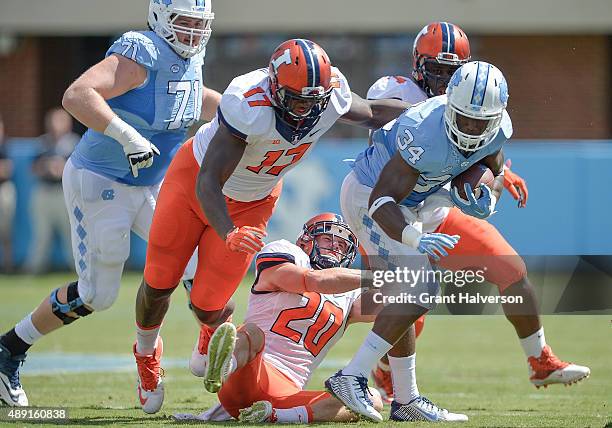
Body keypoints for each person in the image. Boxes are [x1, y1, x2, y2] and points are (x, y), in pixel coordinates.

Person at [133, 38, 411, 414]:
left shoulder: (330, 97)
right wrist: (228, 230)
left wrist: (435, 113)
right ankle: (147, 354)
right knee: (159, 280)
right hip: (194, 183)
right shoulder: (250, 103)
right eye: (297, 100)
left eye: (314, 101)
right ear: (275, 87)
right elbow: (208, 181)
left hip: (254, 199)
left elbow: (376, 112)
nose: (305, 109)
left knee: (209, 303)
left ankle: (212, 334)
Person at [325, 61, 590, 422]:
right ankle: (351, 376)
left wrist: (489, 200)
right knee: (420, 291)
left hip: (417, 202)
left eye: (480, 123)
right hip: (370, 196)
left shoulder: (499, 129)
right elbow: (381, 202)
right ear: (450, 105)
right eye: (464, 119)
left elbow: (493, 168)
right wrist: (414, 237)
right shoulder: (424, 132)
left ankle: (406, 401)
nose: (470, 128)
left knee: (415, 294)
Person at [0, 0, 221, 407]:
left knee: (194, 265)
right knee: (97, 296)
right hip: (101, 180)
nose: (192, 31)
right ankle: (9, 349)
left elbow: (190, 96)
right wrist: (126, 135)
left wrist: (237, 112)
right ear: (159, 18)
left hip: (151, 183)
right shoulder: (142, 49)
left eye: (198, 23)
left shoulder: (191, 56)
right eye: (183, 22)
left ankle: (174, 348)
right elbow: (77, 95)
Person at [366, 21, 530, 404]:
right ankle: (363, 375)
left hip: (435, 206)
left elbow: (476, 145)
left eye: (451, 72)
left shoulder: (469, 111)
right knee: (403, 299)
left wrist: (496, 171)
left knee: (492, 267)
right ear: (417, 64)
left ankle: (379, 376)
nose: (442, 78)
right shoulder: (398, 92)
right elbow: (411, 134)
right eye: (435, 68)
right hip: (391, 204)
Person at [174, 213, 467, 423]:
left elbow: (398, 312)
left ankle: (273, 417)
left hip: (286, 393)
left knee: (370, 400)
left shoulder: (349, 296)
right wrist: (379, 275)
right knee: (252, 333)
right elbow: (314, 281)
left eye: (342, 246)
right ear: (305, 240)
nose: (335, 248)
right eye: (328, 239)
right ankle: (221, 366)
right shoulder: (285, 253)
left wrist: (416, 285)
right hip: (248, 373)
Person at [25, 108, 79, 274]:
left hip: (64, 193)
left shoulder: (75, 143)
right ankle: (34, 270)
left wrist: (61, 168)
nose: (56, 125)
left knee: (71, 235)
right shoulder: (43, 143)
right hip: (44, 191)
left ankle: (79, 271)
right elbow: (32, 168)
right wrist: (46, 167)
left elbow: (79, 169)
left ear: (68, 124)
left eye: (60, 121)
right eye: (53, 121)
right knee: (41, 235)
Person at [0, 114, 15, 273]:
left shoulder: (5, 147)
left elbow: (6, 170)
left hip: (3, 190)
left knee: (5, 232)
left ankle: (8, 266)